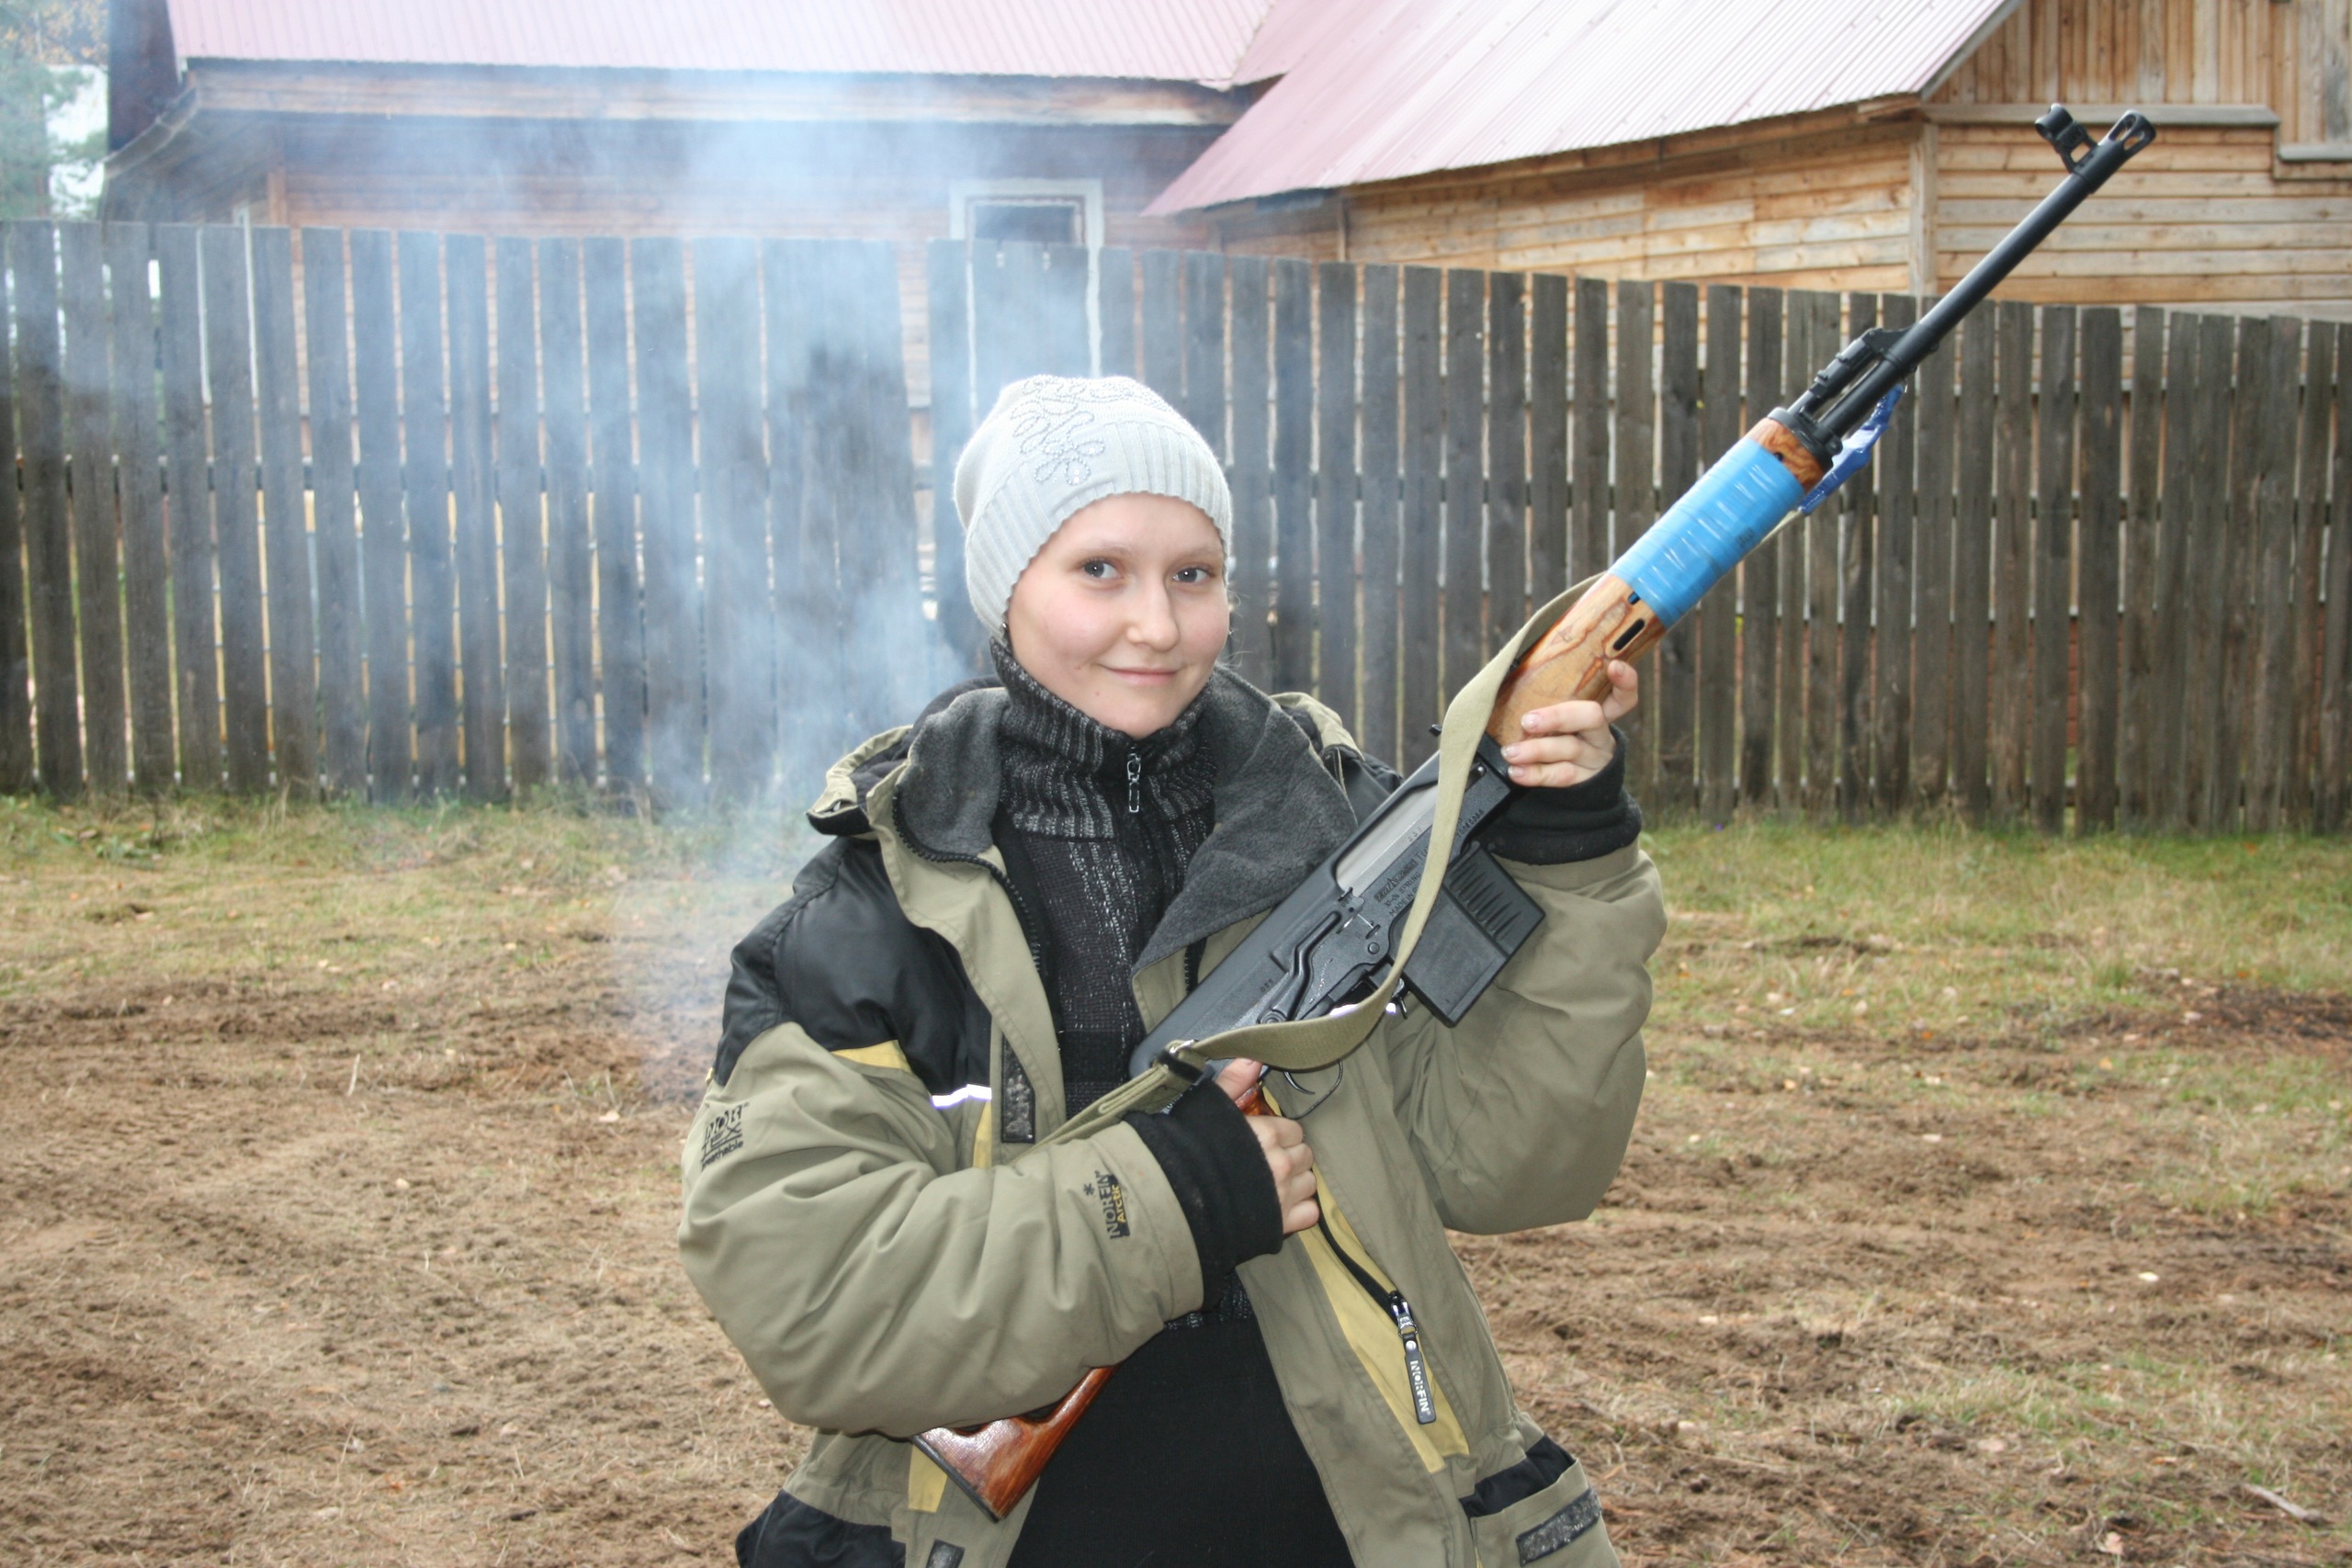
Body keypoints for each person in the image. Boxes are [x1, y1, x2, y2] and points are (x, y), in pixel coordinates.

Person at [680, 375, 1663, 1568]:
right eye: (1100, 570)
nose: (1156, 623)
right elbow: (814, 1305)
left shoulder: (1340, 831)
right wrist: (1169, 1202)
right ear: (1005, 589)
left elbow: (1515, 1167)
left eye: (1194, 574)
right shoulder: (863, 922)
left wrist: (1569, 851)